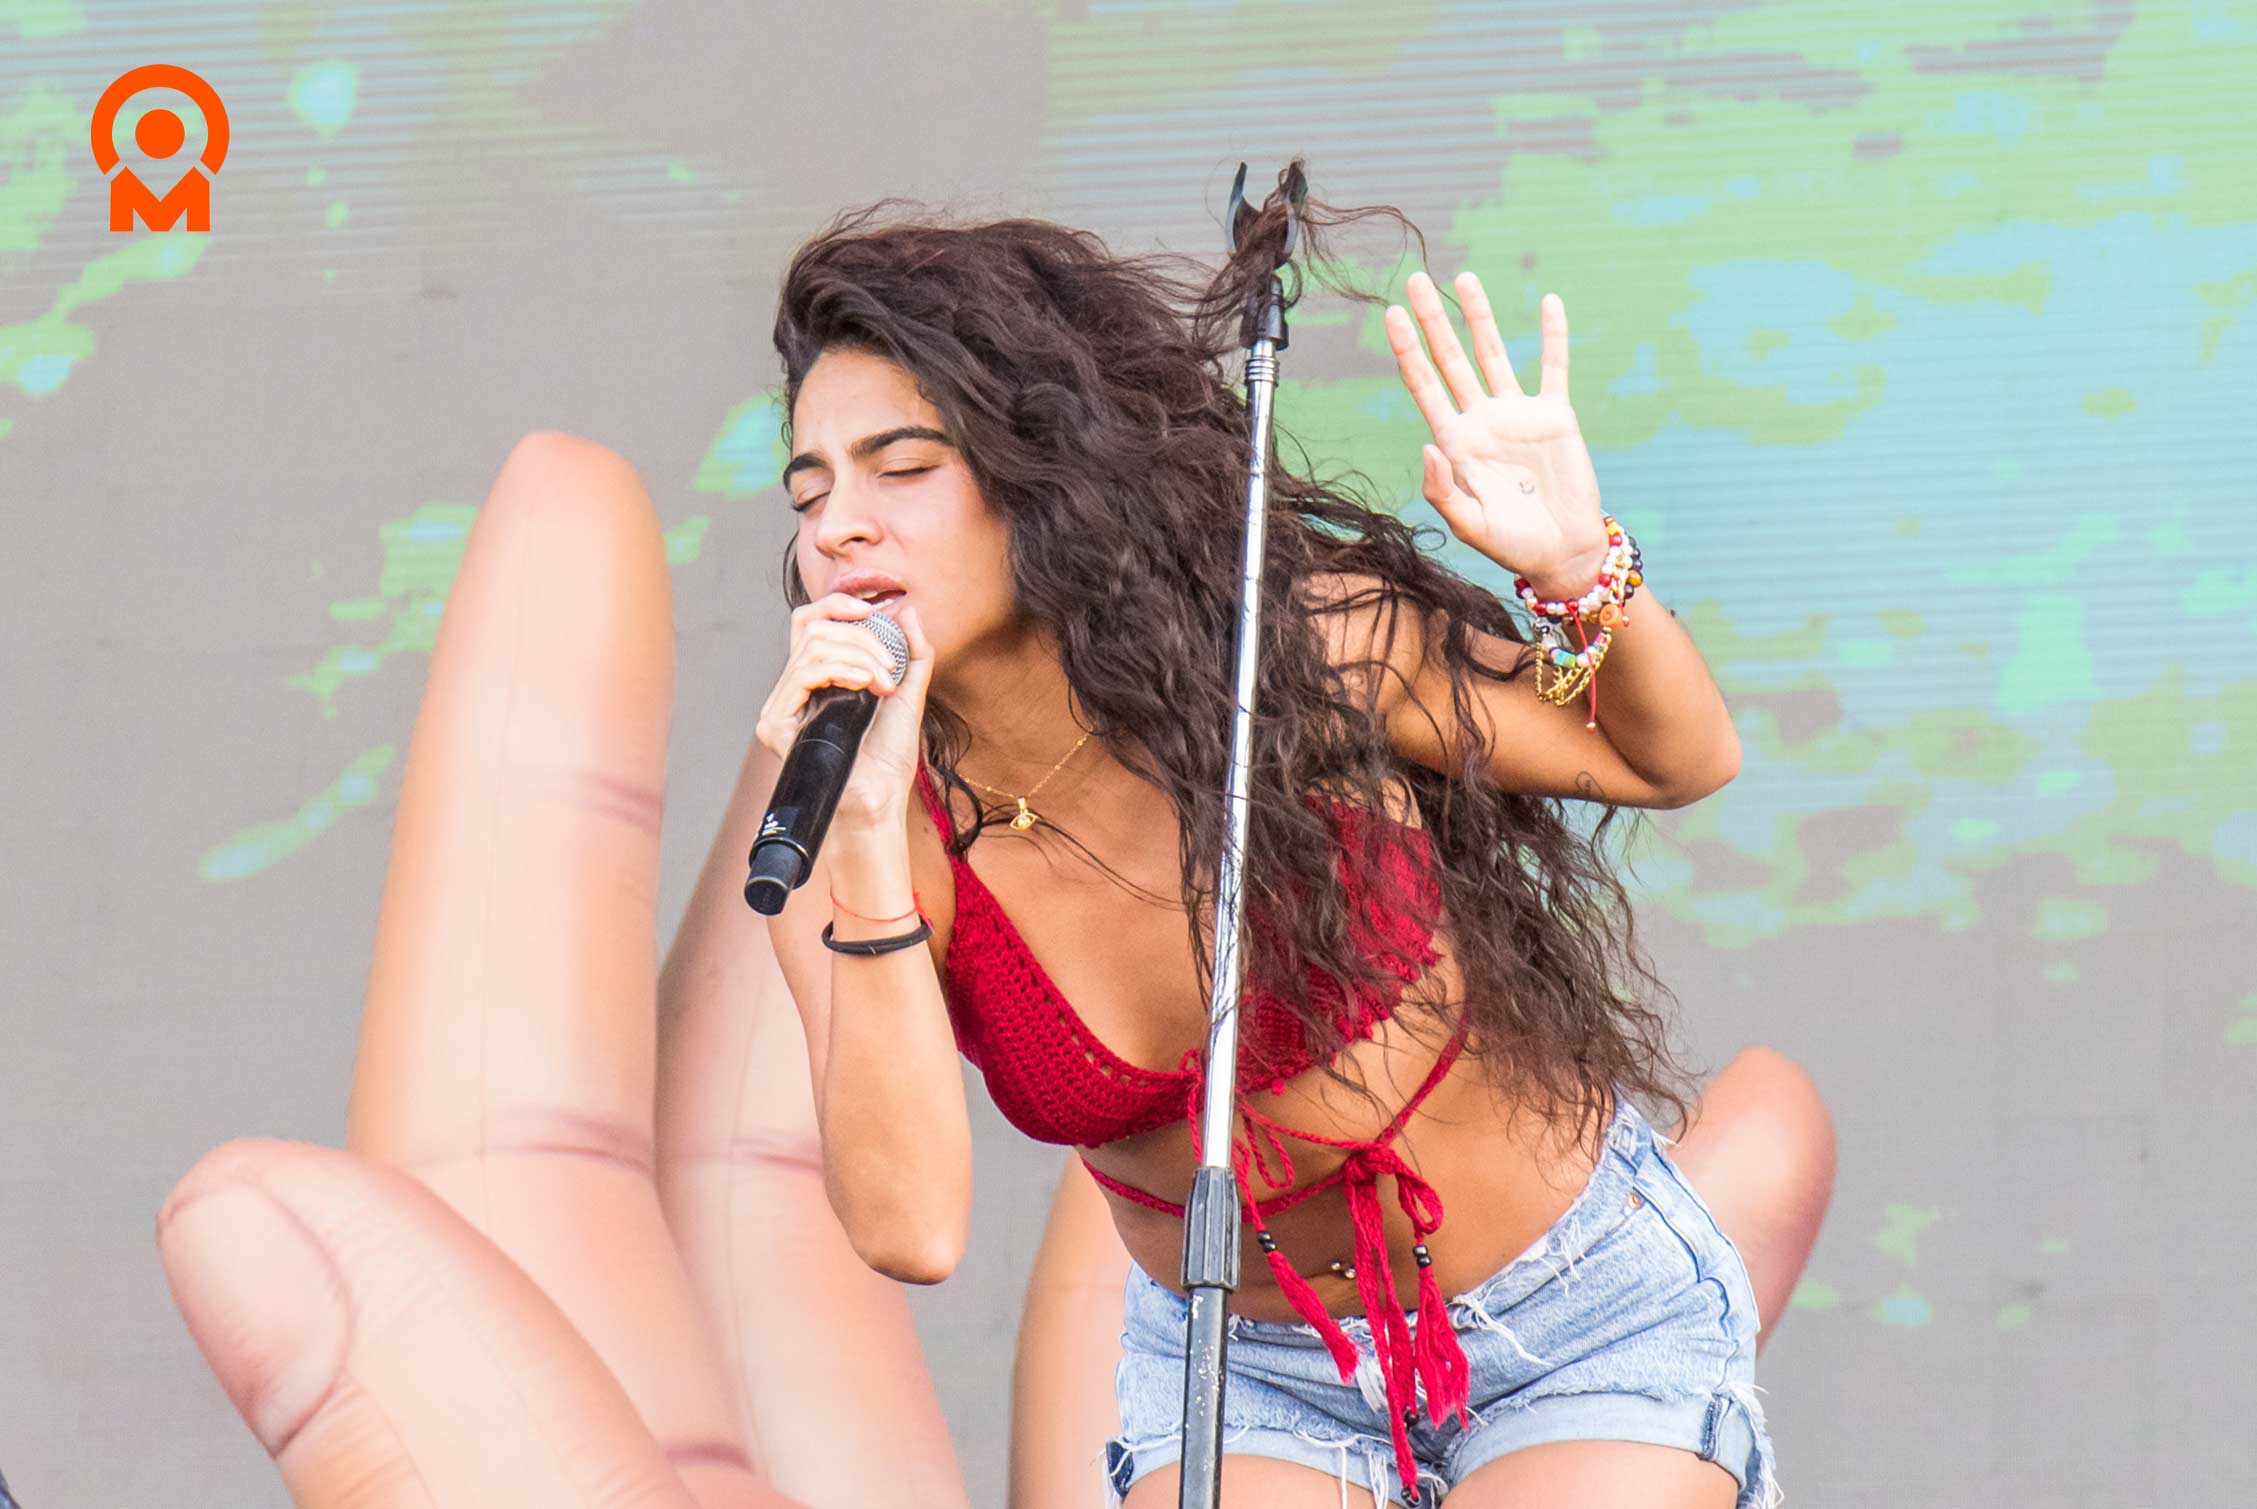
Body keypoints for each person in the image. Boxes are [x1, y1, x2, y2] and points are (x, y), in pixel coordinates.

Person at [752, 164, 1834, 1509]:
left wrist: (1570, 567)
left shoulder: (1284, 649)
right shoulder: (842, 826)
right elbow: (908, 1228)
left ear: (1042, 476)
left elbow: (1670, 756)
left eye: (902, 467)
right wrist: (863, 827)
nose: (839, 525)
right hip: (1249, 1372)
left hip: (1573, 1317)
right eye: (808, 493)